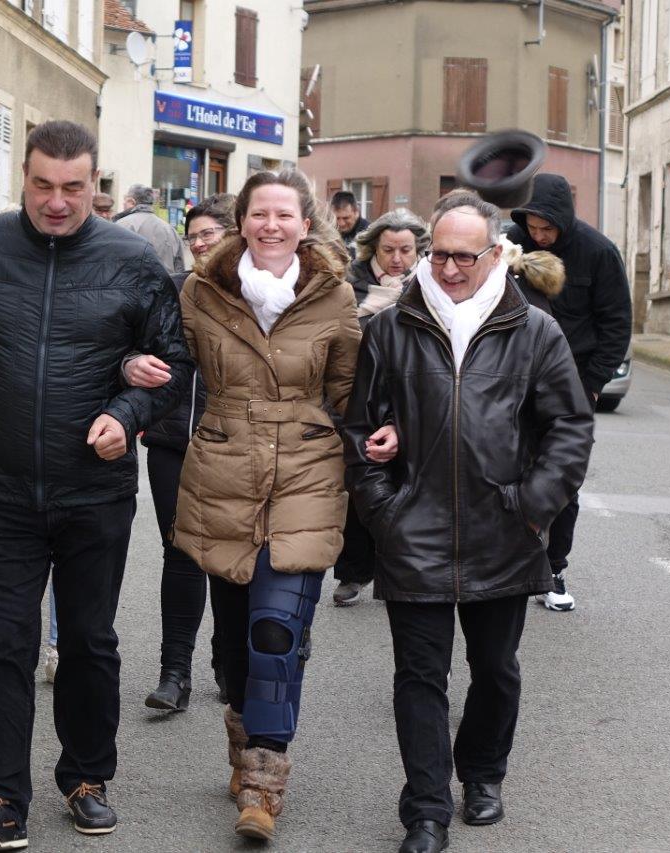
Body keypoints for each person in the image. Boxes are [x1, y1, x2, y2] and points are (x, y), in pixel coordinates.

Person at [0, 120, 192, 850]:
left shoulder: (132, 261)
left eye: (73, 187)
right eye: (42, 185)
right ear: (22, 179)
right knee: (3, 640)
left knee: (89, 639)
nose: (56, 202)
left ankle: (87, 776)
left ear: (96, 185)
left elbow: (172, 362)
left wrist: (129, 412)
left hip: (95, 488)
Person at [344, 190, 594, 853]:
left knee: (496, 668)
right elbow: (358, 428)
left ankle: (483, 771)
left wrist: (532, 505)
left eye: (464, 256)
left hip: (504, 531)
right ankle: (425, 808)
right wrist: (382, 510)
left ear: (495, 254)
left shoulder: (535, 330)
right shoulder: (391, 330)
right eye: (439, 254)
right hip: (412, 531)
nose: (449, 269)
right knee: (419, 676)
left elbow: (569, 426)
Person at [169, 168, 362, 843]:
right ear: (241, 220)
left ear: (306, 224)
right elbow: (173, 365)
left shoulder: (336, 297)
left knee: (276, 631)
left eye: (285, 214)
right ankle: (243, 732)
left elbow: (348, 396)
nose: (272, 226)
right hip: (223, 470)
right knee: (232, 648)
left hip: (306, 473)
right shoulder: (201, 292)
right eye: (260, 214)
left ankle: (264, 781)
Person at [124, 194, 236, 712]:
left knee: (233, 554)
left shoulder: (254, 297)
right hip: (172, 441)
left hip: (237, 446)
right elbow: (129, 347)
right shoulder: (170, 291)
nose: (199, 244)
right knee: (182, 550)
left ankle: (228, 661)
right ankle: (175, 673)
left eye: (209, 234)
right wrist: (133, 362)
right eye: (192, 236)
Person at [505, 173, 632, 612]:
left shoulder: (597, 252)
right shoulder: (509, 244)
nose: (539, 236)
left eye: (547, 229)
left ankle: (553, 568)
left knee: (562, 478)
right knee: (507, 469)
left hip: (572, 381)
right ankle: (510, 563)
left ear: (563, 220)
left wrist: (593, 385)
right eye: (532, 227)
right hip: (513, 378)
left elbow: (616, 322)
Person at [332, 210, 430, 607]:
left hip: (413, 397)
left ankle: (399, 570)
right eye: (388, 249)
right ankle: (352, 573)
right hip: (358, 396)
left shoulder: (430, 286)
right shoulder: (349, 286)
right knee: (358, 485)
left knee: (408, 486)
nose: (397, 258)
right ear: (373, 248)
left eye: (406, 250)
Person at [115, 183, 186, 273]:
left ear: (131, 202)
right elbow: (179, 269)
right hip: (165, 285)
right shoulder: (170, 230)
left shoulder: (120, 226)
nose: (123, 205)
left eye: (124, 201)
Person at [331, 190, 370, 258]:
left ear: (356, 213)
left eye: (346, 218)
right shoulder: (329, 232)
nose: (341, 224)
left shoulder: (369, 233)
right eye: (337, 218)